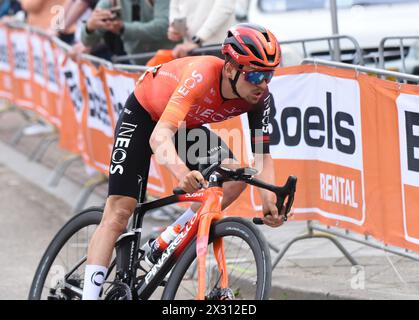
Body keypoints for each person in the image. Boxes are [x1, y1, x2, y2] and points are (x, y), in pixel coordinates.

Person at [82, 23, 284, 300]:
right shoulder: (202, 75)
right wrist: (181, 172)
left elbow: (262, 156)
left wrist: (270, 203)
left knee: (236, 176)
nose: (262, 83)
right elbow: (158, 137)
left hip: (185, 127)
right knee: (118, 213)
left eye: (268, 75)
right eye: (255, 74)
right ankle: (89, 296)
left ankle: (166, 239)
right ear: (230, 69)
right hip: (144, 116)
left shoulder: (259, 99)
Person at [81, 0, 174, 63]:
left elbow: (163, 26)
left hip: (168, 62)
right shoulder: (111, 2)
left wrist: (124, 29)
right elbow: (88, 42)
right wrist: (89, 28)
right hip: (136, 65)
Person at [168, 0, 237, 58]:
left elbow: (224, 8)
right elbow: (175, 6)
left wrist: (197, 40)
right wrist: (175, 26)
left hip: (216, 48)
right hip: (189, 49)